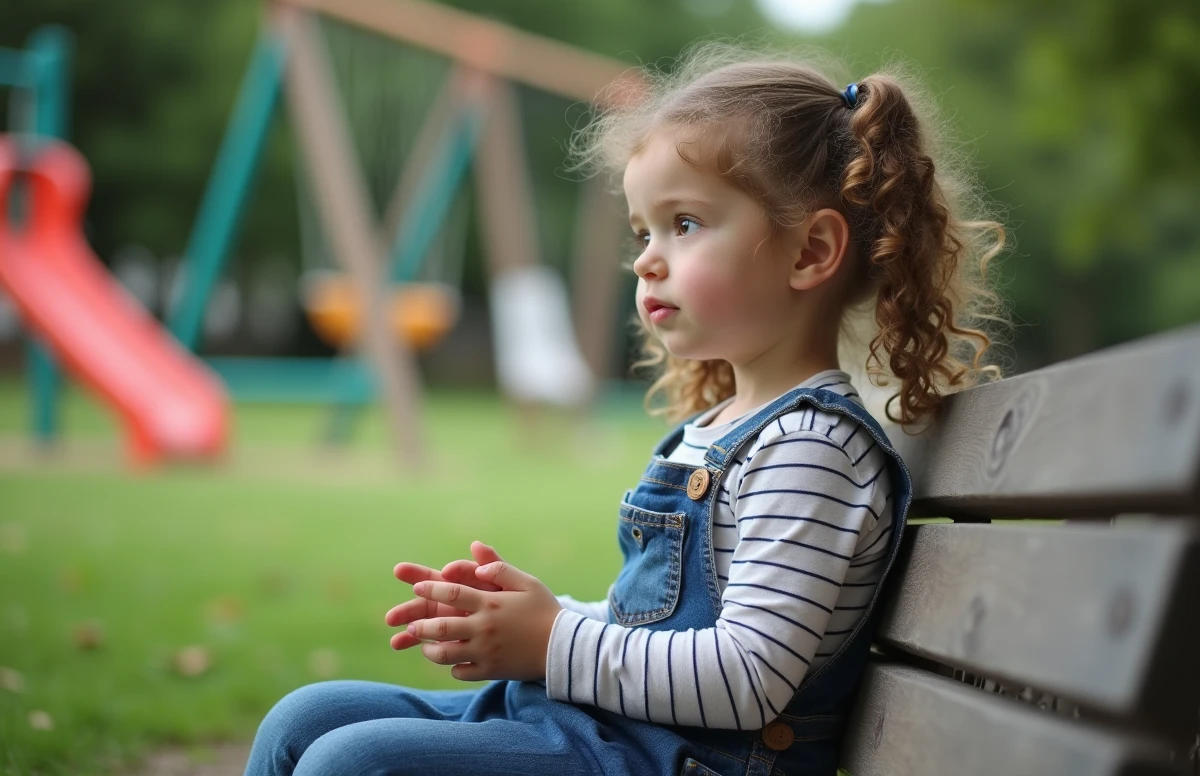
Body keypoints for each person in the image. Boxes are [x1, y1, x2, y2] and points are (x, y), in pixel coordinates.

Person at [244, 46, 1008, 776]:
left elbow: (747, 678)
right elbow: (654, 626)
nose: (645, 257)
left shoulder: (812, 449)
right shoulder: (720, 431)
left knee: (354, 764)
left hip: (691, 759)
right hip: (617, 737)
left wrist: (550, 641)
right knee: (305, 717)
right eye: (643, 230)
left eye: (685, 224)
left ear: (809, 252)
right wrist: (530, 614)